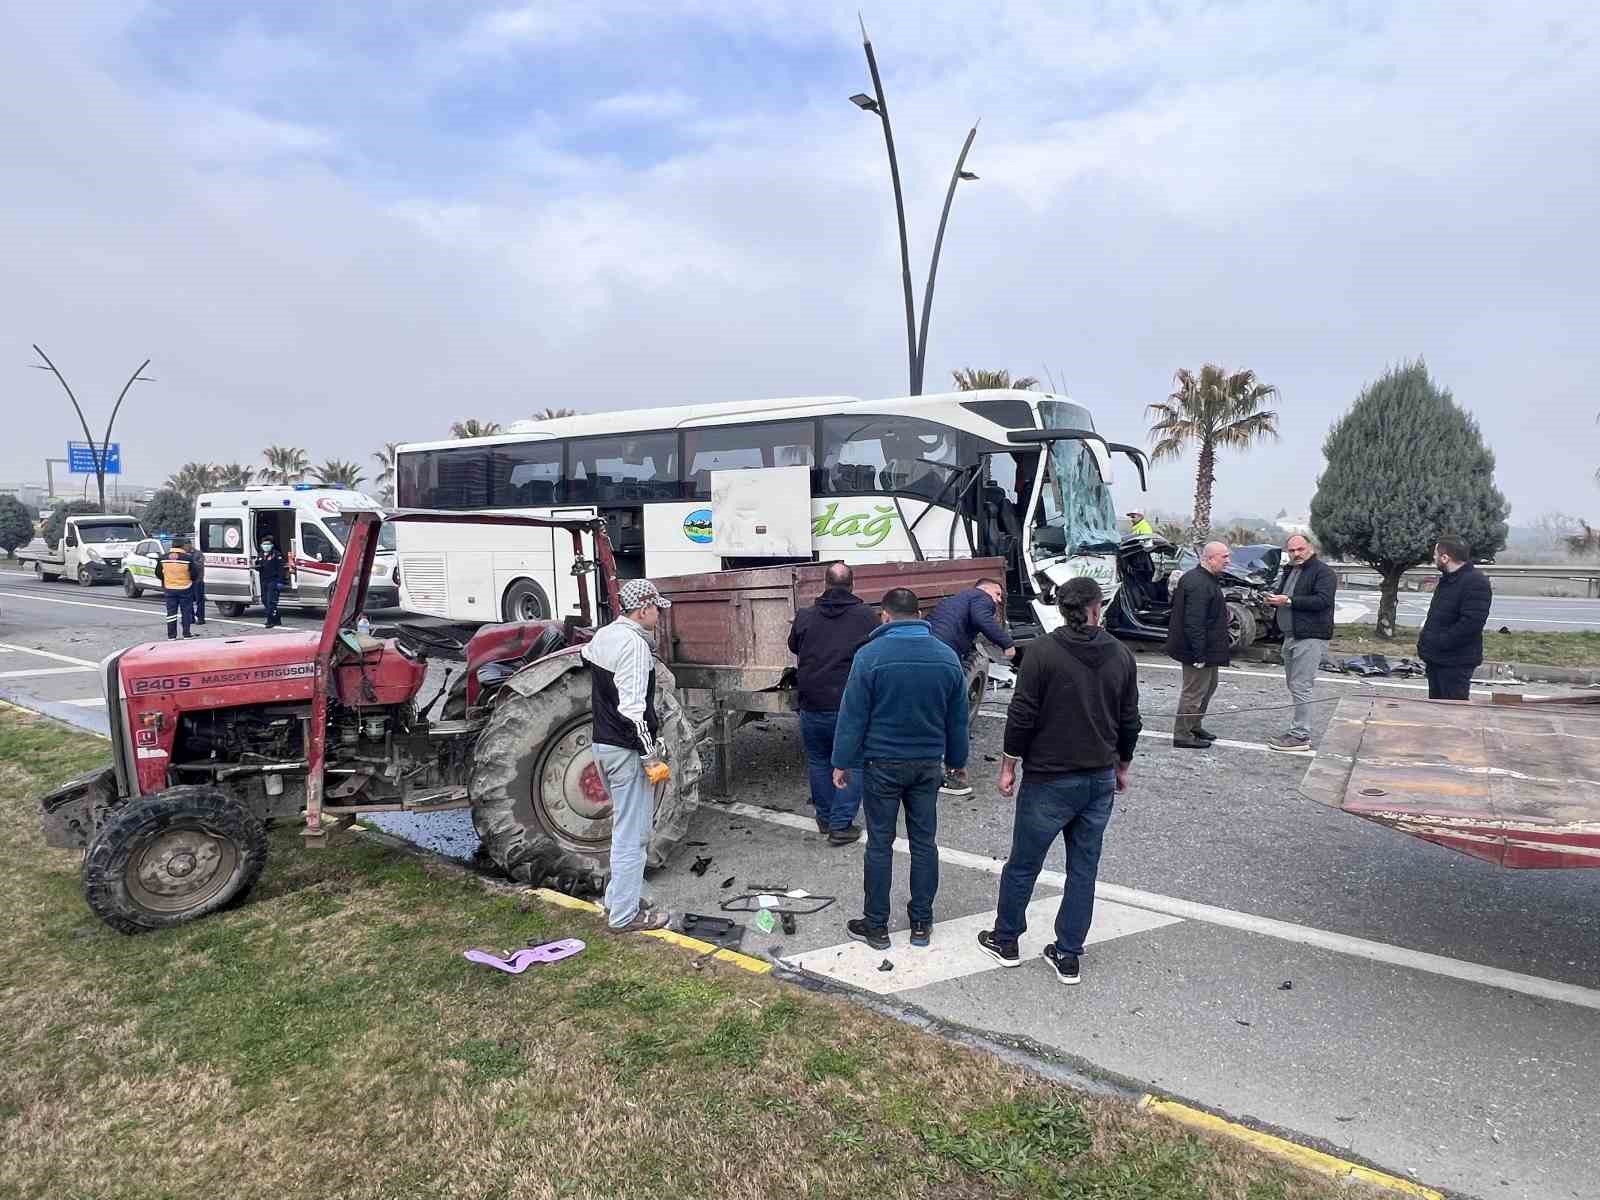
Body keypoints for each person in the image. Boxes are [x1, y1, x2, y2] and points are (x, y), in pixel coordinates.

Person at [978, 577, 1141, 985]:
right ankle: (1068, 953)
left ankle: (1007, 939)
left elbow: (1022, 714)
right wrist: (1122, 765)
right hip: (1098, 778)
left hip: (1049, 779)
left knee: (1024, 864)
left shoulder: (1042, 653)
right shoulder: (1121, 655)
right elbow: (1129, 720)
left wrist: (1008, 766)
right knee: (1083, 869)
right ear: (1094, 608)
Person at [832, 587, 968, 951]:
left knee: (880, 844)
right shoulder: (947, 657)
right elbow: (958, 719)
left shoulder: (869, 656)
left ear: (885, 616)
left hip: (882, 764)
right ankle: (921, 922)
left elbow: (853, 715)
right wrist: (956, 762)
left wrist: (842, 762)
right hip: (927, 764)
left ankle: (876, 926)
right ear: (920, 616)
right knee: (925, 843)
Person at [581, 577, 675, 933]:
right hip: (624, 751)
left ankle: (618, 898)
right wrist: (650, 756)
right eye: (656, 609)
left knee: (625, 828)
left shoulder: (604, 636)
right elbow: (634, 710)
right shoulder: (634, 647)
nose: (659, 616)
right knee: (632, 837)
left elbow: (586, 658)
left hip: (602, 745)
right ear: (643, 609)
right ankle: (624, 915)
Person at [787, 562, 880, 845]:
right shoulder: (866, 617)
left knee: (818, 761)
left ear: (825, 585)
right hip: (848, 705)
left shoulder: (805, 615)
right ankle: (841, 825)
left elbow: (793, 646)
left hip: (811, 702)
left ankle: (825, 819)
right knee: (851, 762)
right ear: (852, 585)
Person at [927, 578, 1015, 796]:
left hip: (927, 649)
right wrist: (1007, 643)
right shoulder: (980, 598)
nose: (998, 600)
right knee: (956, 714)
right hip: (944, 655)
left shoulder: (953, 602)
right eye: (997, 594)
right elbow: (982, 618)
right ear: (984, 589)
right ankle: (953, 774)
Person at [1262, 534, 1337, 752]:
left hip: (1310, 637)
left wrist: (1289, 601)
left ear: (1310, 547)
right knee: (1295, 685)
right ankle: (1298, 731)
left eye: (1300, 549)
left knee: (1301, 686)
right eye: (1292, 550)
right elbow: (1284, 596)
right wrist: (1273, 599)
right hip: (1290, 635)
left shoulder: (1323, 572)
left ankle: (1300, 735)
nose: (1296, 554)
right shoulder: (1290, 570)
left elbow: (1323, 601)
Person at [1165, 541, 1231, 748]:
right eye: (1224, 557)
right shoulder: (1198, 583)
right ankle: (1183, 734)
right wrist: (1199, 655)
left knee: (1209, 687)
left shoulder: (1206, 579)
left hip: (1208, 649)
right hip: (1197, 651)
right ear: (1209, 559)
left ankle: (1194, 725)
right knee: (1194, 692)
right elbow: (1193, 622)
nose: (1228, 561)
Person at [1418, 537, 1493, 700]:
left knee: (1454, 715)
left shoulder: (1475, 582)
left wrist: (1439, 642)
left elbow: (1471, 624)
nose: (1434, 559)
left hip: (1456, 662)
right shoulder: (1448, 580)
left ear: (1445, 558)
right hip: (1437, 659)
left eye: (1436, 555)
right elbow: (1438, 616)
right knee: (1436, 712)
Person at [157, 534, 199, 640]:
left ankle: (171, 636)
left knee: (171, 613)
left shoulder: (163, 557)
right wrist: (189, 579)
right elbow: (194, 574)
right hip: (185, 588)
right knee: (186, 612)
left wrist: (167, 578)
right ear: (182, 545)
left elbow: (158, 573)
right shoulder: (188, 558)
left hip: (170, 589)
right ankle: (186, 634)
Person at [257, 535, 289, 628]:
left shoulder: (276, 555)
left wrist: (280, 581)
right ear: (261, 545)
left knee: (271, 601)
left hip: (273, 580)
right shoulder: (261, 554)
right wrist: (258, 567)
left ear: (272, 545)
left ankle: (270, 620)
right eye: (264, 544)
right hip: (263, 581)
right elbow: (258, 564)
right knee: (264, 600)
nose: (266, 546)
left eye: (268, 544)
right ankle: (277, 617)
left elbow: (281, 569)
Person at [191, 544, 207, 625]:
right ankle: (191, 618)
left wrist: (190, 562)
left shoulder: (198, 554)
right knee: (188, 600)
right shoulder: (185, 554)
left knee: (199, 600)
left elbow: (200, 565)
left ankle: (201, 618)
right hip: (188, 581)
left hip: (198, 581)